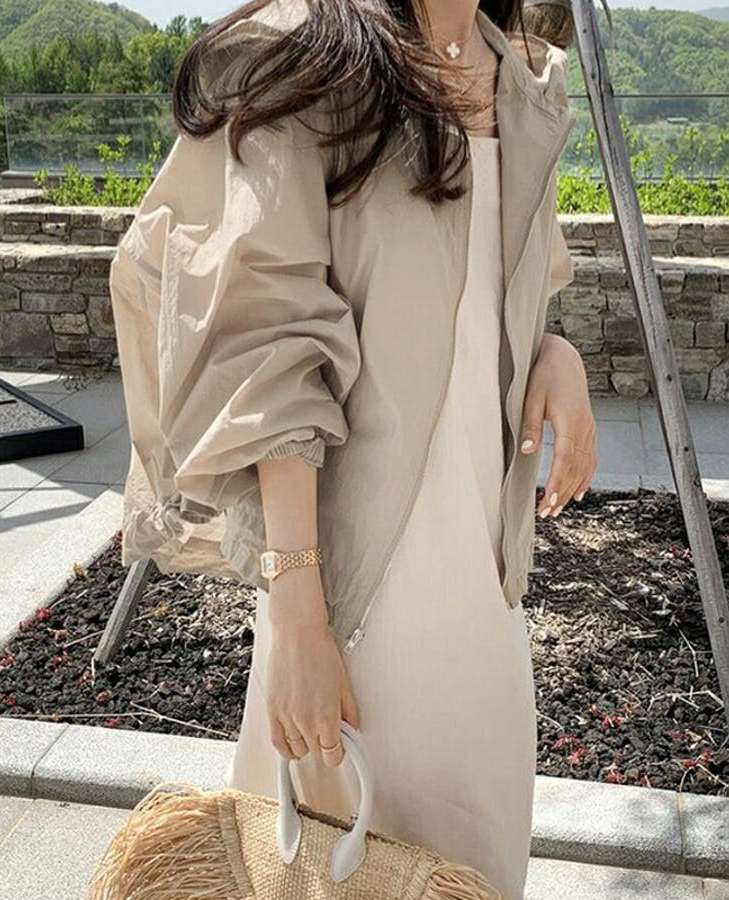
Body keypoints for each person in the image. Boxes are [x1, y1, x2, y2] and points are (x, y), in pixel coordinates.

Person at [109, 0, 597, 895]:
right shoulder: (313, 59)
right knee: (323, 871)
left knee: (477, 869)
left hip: (485, 598)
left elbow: (487, 292)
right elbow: (267, 350)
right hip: (356, 603)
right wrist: (299, 623)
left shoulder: (519, 77)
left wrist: (554, 352)